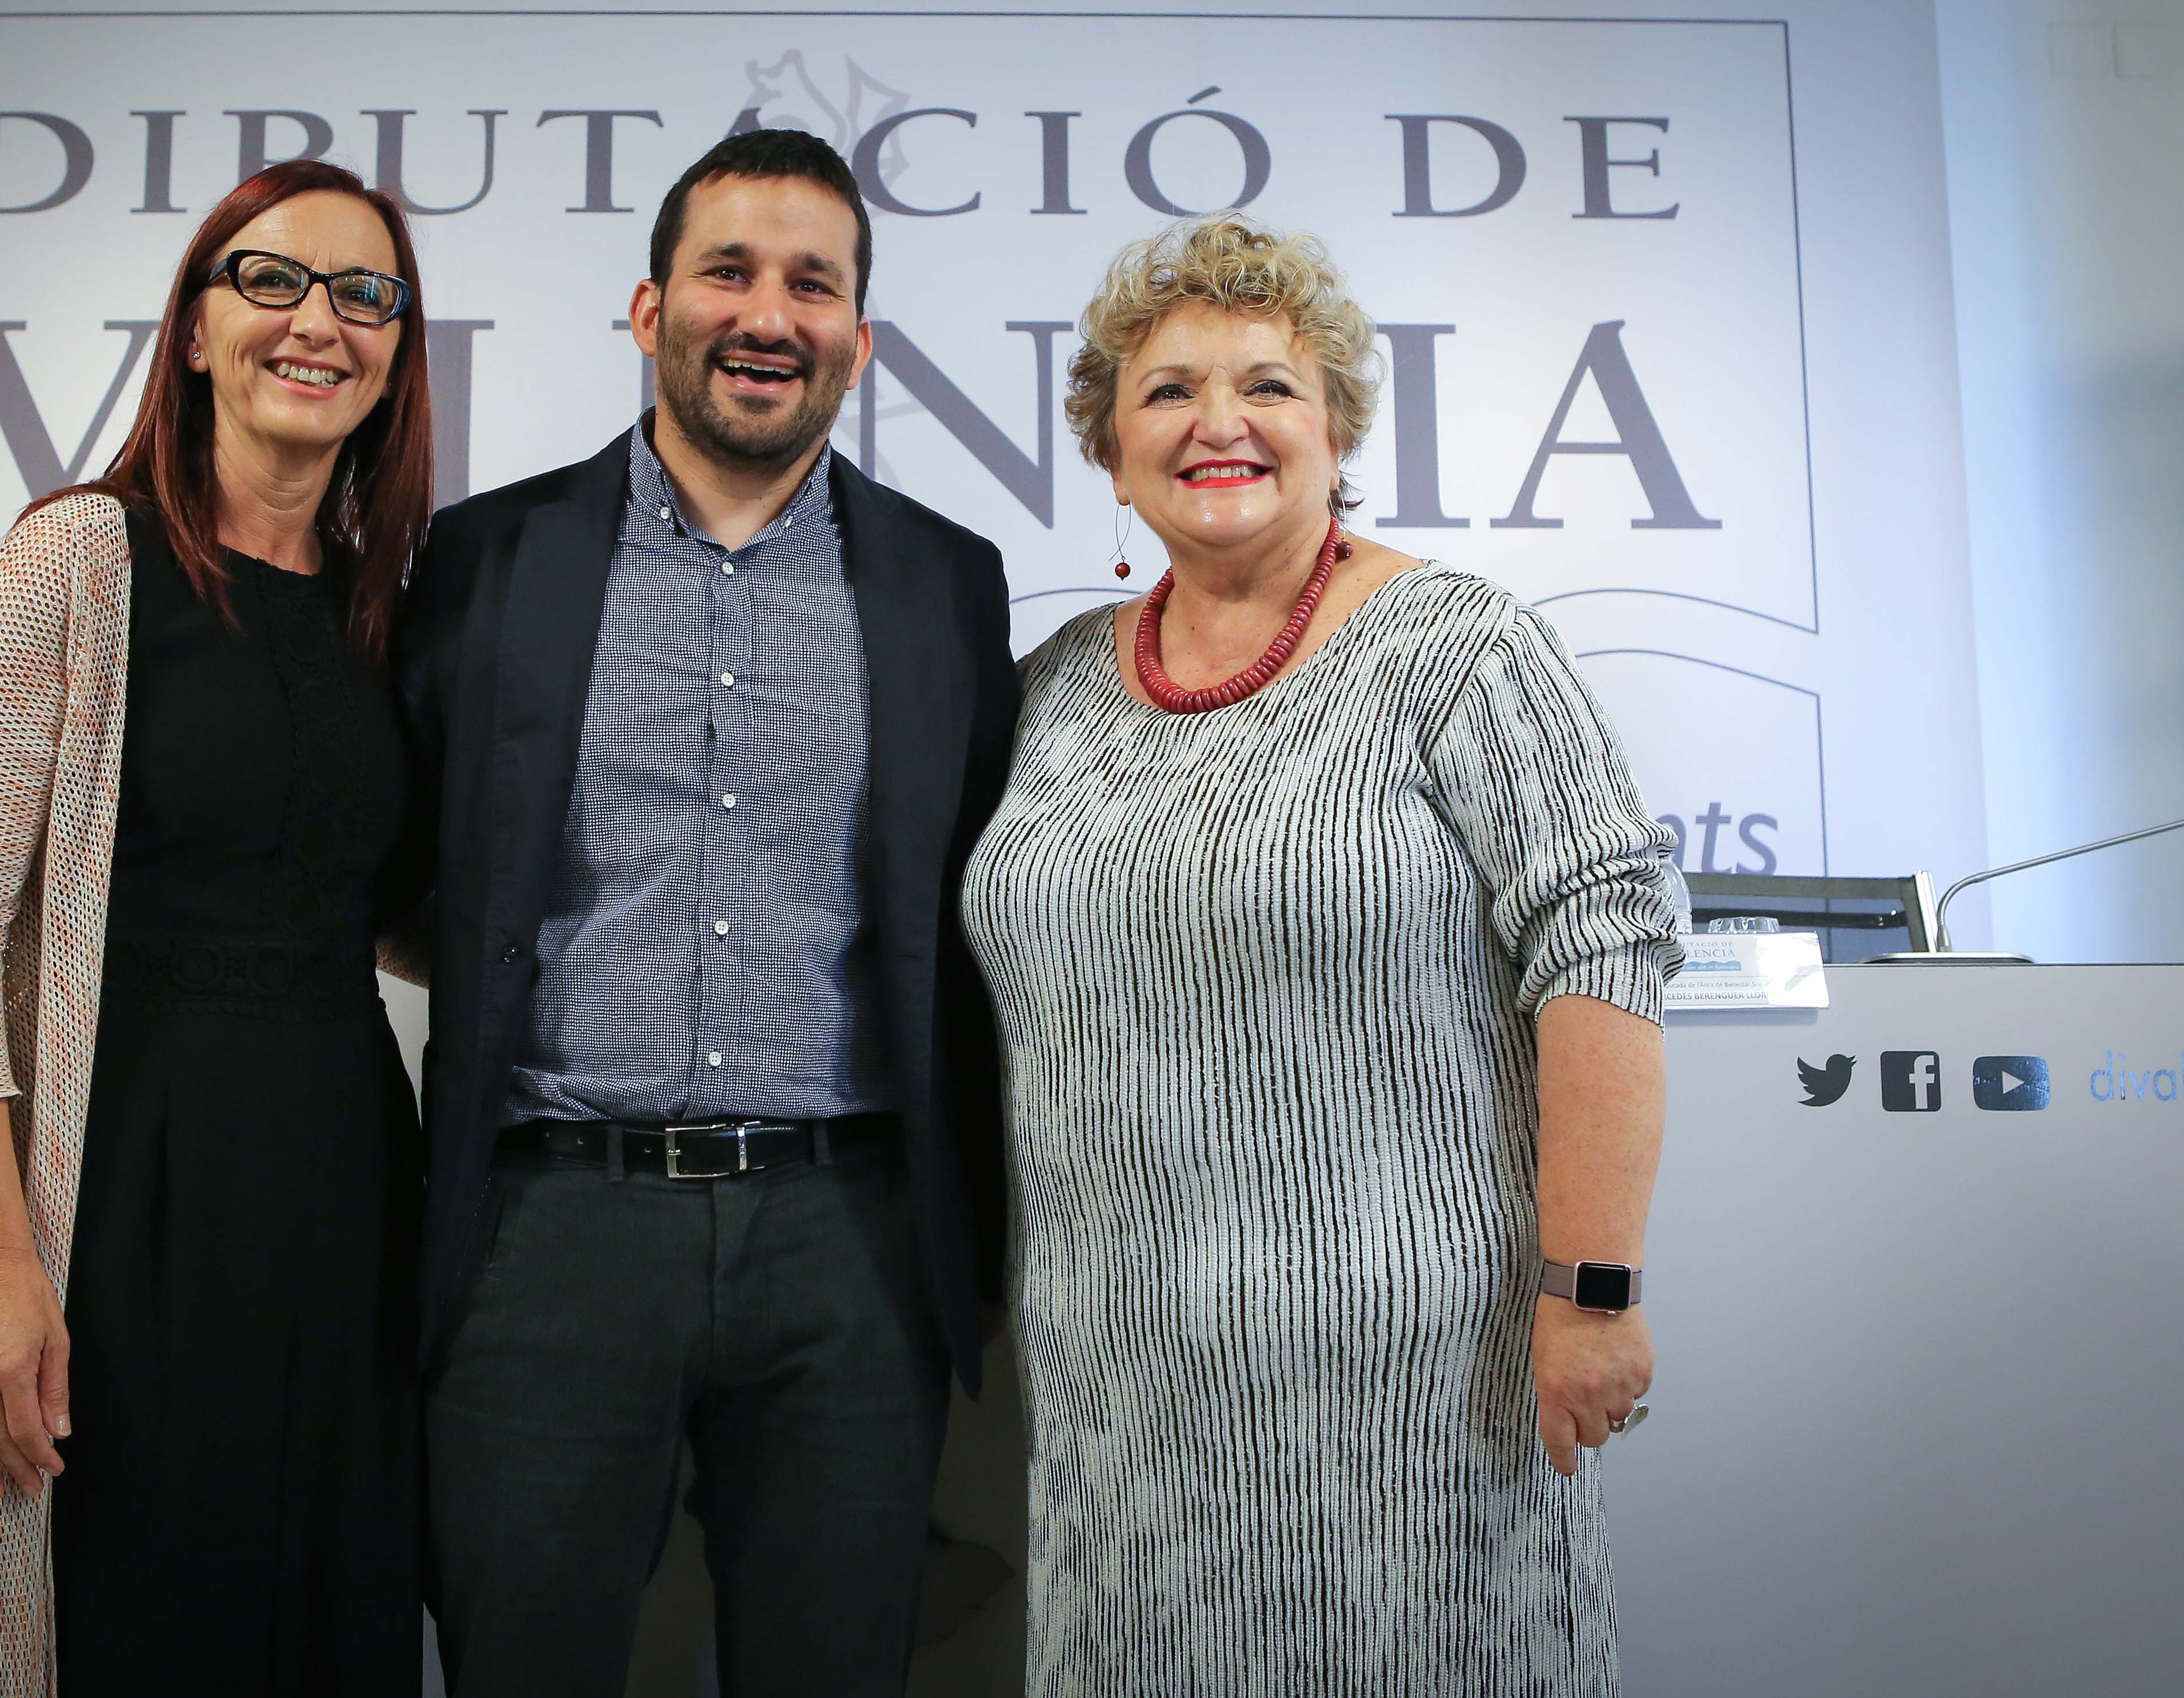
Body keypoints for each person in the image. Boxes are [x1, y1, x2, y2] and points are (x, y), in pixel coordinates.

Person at [959, 215, 1679, 1695]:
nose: (1217, 421)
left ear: (1337, 425)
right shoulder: (1046, 690)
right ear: (1109, 446)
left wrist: (1591, 1286)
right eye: (1166, 390)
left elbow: (1604, 947)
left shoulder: (1460, 649)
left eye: (1267, 385)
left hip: (1421, 1384)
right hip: (1122, 1392)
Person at [388, 128, 1020, 1697]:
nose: (767, 312)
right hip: (549, 1231)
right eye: (727, 269)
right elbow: (402, 865)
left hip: (848, 1242)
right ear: (647, 304)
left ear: (857, 340)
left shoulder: (950, 582)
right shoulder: (479, 560)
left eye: (812, 283)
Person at [0, 158, 433, 1696]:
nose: (314, 319)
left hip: (346, 1210)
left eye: (362, 293)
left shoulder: (390, 606)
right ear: (196, 327)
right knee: (127, 1618)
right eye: (268, 279)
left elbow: (394, 913)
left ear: (396, 349)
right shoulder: (77, 557)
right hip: (121, 1207)